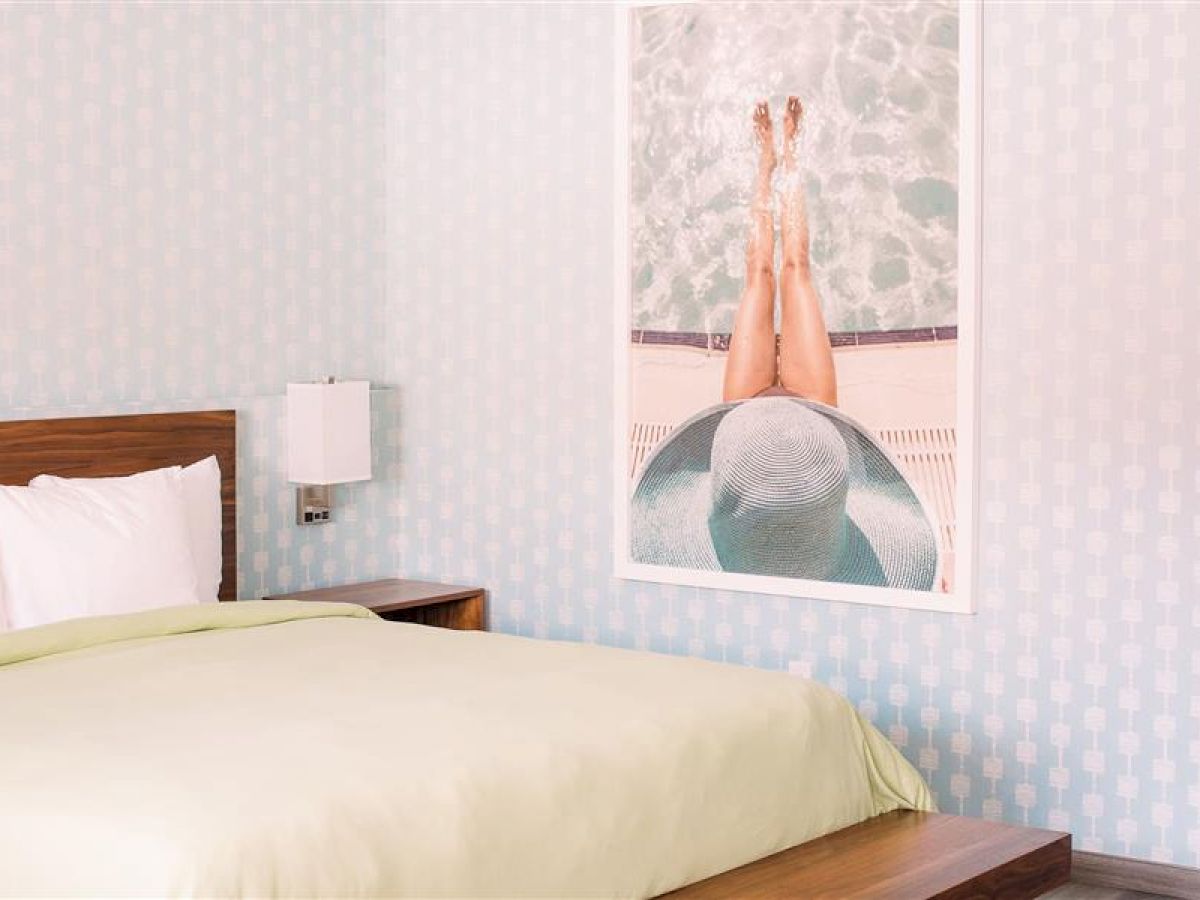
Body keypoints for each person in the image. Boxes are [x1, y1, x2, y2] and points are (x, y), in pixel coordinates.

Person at [723, 97, 837, 408]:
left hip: (746, 414)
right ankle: (786, 155)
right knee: (795, 269)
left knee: (760, 274)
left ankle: (770, 161)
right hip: (814, 415)